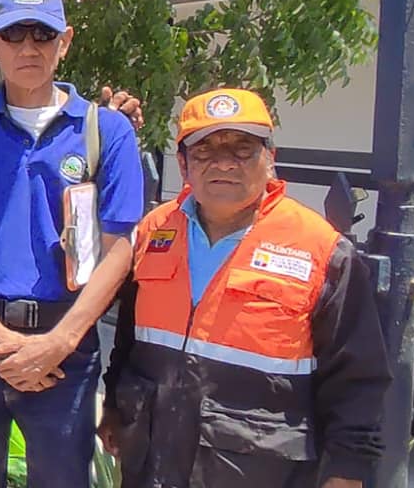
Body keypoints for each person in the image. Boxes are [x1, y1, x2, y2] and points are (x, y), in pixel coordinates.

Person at [0, 0, 145, 488]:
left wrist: (59, 342)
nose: (27, 47)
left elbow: (119, 250)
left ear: (65, 41)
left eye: (41, 34)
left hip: (66, 344)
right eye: (13, 34)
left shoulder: (106, 131)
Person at [97, 88, 390, 487]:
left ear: (270, 159)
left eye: (242, 148)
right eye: (204, 150)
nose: (224, 162)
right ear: (183, 164)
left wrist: (347, 474)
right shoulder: (153, 231)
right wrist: (114, 404)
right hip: (152, 465)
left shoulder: (322, 250)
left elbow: (358, 378)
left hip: (260, 470)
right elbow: (128, 337)